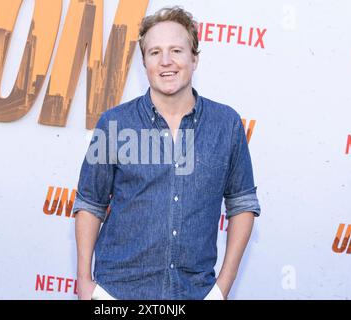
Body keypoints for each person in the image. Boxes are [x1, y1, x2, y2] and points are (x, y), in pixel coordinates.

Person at [72, 6, 261, 300]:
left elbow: (242, 204)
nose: (166, 62)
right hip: (116, 293)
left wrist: (222, 287)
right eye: (155, 52)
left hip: (194, 293)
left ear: (194, 58)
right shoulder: (114, 124)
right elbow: (90, 203)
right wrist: (85, 283)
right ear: (144, 61)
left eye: (176, 50)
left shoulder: (227, 125)